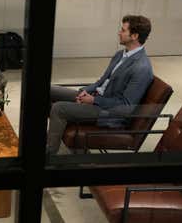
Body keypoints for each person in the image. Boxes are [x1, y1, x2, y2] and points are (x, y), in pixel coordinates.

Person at [47, 15, 153, 155]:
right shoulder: (121, 54)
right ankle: (51, 137)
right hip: (96, 98)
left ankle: (49, 154)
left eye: (123, 30)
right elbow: (101, 82)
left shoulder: (141, 68)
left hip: (109, 112)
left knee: (59, 108)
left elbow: (126, 106)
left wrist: (93, 100)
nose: (119, 32)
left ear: (134, 36)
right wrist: (85, 91)